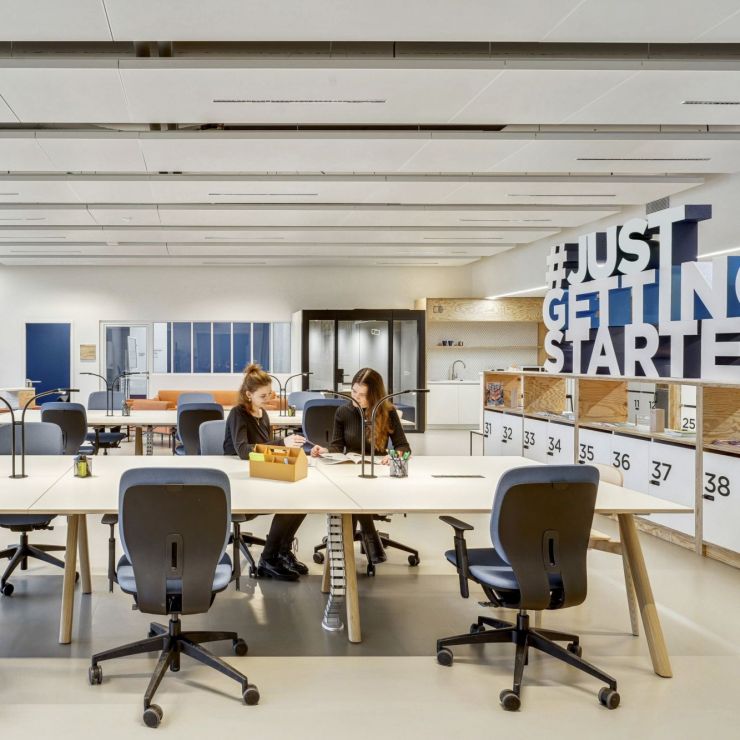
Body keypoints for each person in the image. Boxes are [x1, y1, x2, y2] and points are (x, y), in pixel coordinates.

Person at [310, 367, 410, 564]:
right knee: (353, 491)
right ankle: (371, 538)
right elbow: (337, 446)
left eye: (362, 395)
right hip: (350, 470)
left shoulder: (387, 412)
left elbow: (403, 446)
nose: (356, 397)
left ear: (374, 396)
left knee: (354, 495)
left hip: (377, 474)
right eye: (354, 391)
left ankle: (347, 547)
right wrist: (324, 450)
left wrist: (392, 456)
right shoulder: (343, 412)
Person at [224, 363, 308, 581]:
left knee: (300, 500)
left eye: (269, 394)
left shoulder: (263, 414)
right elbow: (244, 451)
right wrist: (282, 442)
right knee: (288, 502)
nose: (268, 398)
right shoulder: (238, 414)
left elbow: (267, 449)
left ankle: (282, 552)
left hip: (258, 474)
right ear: (248, 394)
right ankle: (268, 559)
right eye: (263, 395)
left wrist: (297, 449)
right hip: (239, 482)